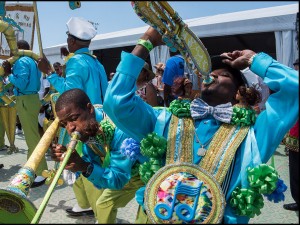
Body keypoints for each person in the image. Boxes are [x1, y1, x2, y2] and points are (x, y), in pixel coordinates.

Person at [103, 26, 299, 224]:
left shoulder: (254, 134)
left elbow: (295, 89)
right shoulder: (164, 120)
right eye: (210, 72)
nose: (212, 75)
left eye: (224, 75)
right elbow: (116, 103)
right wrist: (147, 41)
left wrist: (254, 60)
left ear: (237, 91)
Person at [37, 17, 108, 219]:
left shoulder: (75, 61)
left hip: (81, 122)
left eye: (68, 37)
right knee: (88, 162)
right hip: (98, 117)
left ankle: (98, 211)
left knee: (81, 162)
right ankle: (85, 203)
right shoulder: (97, 63)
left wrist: (49, 72)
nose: (67, 40)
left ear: (73, 42)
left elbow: (70, 93)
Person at [52, 88, 144, 223]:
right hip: (125, 172)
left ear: (89, 109)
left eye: (73, 119)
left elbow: (118, 179)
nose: (70, 128)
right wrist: (74, 162)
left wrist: (84, 166)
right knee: (103, 205)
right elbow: (92, 160)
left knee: (145, 216)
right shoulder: (88, 124)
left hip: (149, 172)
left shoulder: (118, 127)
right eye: (64, 124)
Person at [2, 40, 47, 187]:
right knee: (32, 136)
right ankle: (32, 167)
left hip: (26, 100)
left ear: (19, 49)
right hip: (31, 99)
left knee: (32, 138)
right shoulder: (32, 61)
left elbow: (21, 83)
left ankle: (40, 172)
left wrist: (9, 73)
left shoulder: (21, 62)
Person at [283, 58, 299, 211]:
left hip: (296, 133)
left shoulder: (294, 85)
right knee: (295, 170)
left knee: (296, 170)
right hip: (294, 133)